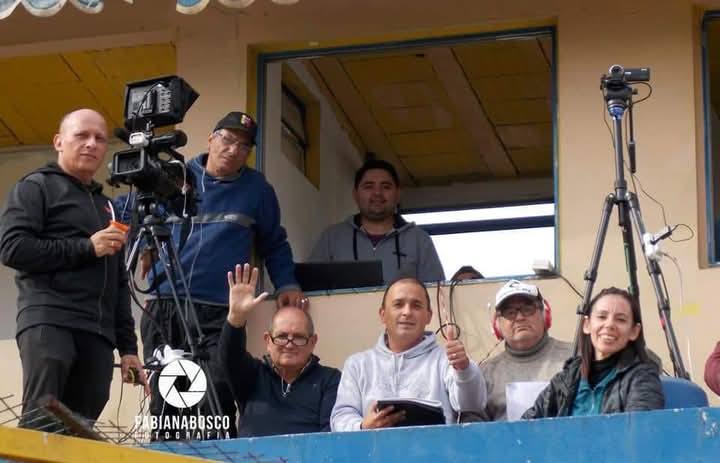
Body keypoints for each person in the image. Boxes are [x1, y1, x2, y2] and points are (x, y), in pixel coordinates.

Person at [128, 111, 303, 438]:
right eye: (228, 139)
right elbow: (130, 213)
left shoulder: (257, 189)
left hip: (219, 312)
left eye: (244, 146)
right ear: (211, 139)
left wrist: (287, 284)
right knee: (168, 404)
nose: (234, 150)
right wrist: (143, 246)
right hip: (165, 306)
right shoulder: (174, 176)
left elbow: (274, 243)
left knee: (217, 397)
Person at [0, 109, 146, 430]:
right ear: (58, 142)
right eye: (82, 135)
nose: (91, 144)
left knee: (81, 431)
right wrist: (86, 247)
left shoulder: (107, 205)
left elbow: (118, 281)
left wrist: (128, 349)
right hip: (50, 321)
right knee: (43, 424)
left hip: (98, 335)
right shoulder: (35, 187)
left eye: (99, 139)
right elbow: (12, 248)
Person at [330, 277, 486, 431]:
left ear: (428, 316)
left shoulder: (446, 359)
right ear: (382, 314)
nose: (407, 312)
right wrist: (363, 426)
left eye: (416, 306)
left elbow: (472, 405)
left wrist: (463, 370)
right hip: (375, 447)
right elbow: (340, 417)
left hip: (436, 447)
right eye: (398, 304)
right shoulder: (358, 364)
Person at [218, 264, 341, 437]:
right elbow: (229, 356)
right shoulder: (252, 375)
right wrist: (236, 317)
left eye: (298, 337)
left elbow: (329, 438)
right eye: (282, 336)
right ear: (268, 341)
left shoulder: (330, 380)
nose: (289, 344)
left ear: (312, 342)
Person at [522, 287, 664, 418]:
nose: (609, 324)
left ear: (634, 331)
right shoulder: (567, 378)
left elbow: (639, 430)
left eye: (621, 320)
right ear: (587, 325)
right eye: (602, 317)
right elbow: (525, 426)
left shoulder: (643, 377)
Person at [309, 159, 445, 284]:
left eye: (386, 187)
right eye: (368, 186)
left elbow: (436, 293)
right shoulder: (332, 237)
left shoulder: (419, 239)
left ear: (398, 194)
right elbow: (309, 286)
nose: (377, 193)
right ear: (355, 194)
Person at [477, 279, 572, 421]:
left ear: (545, 315)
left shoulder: (575, 356)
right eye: (510, 312)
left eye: (528, 309)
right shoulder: (485, 373)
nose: (520, 317)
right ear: (497, 325)